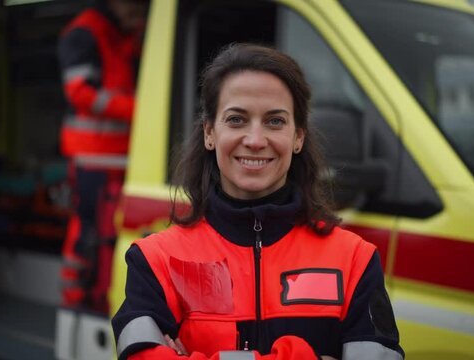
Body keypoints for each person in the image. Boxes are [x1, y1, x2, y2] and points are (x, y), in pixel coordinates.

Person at [111, 43, 404, 359]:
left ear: (298, 137)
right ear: (210, 132)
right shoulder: (155, 261)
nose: (254, 140)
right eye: (236, 120)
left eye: (275, 121)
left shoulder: (355, 261)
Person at [57, 0, 148, 313]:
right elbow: (80, 93)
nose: (139, 17)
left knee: (111, 232)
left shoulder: (123, 32)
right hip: (92, 156)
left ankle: (100, 295)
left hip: (121, 157)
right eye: (135, 9)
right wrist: (141, 109)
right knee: (87, 230)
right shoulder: (84, 33)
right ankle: (73, 300)